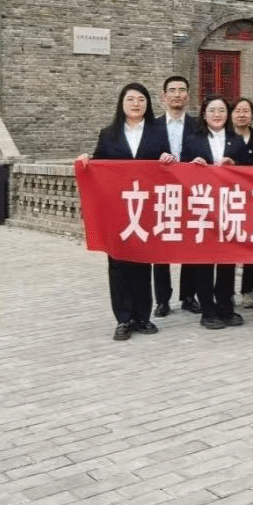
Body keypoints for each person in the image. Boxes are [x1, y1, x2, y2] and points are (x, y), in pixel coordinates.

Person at [77, 82, 174, 341]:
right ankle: (123, 319)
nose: (135, 104)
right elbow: (98, 166)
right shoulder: (108, 134)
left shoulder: (158, 132)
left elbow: (166, 167)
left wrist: (168, 159)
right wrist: (87, 162)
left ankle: (142, 316)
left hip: (145, 209)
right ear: (122, 103)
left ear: (147, 104)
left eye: (141, 99)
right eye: (130, 99)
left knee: (143, 262)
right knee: (118, 263)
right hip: (117, 210)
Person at [180, 96, 250, 329]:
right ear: (204, 114)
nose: (217, 114)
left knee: (227, 261)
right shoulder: (192, 140)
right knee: (204, 262)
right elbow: (181, 172)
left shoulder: (237, 141)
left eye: (221, 110)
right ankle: (207, 311)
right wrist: (192, 166)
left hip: (229, 207)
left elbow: (250, 173)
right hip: (203, 209)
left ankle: (226, 308)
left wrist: (235, 166)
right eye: (212, 110)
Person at [154, 75, 201, 318]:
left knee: (190, 245)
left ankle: (189, 296)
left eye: (182, 90)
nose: (177, 94)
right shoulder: (152, 127)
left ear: (188, 96)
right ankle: (162, 300)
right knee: (160, 248)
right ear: (164, 96)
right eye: (172, 90)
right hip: (161, 194)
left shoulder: (198, 126)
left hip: (191, 193)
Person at [229, 97, 253, 311]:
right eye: (238, 111)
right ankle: (227, 292)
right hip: (231, 199)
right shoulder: (225, 137)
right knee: (230, 246)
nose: (242, 115)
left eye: (246, 111)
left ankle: (248, 291)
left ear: (252, 115)